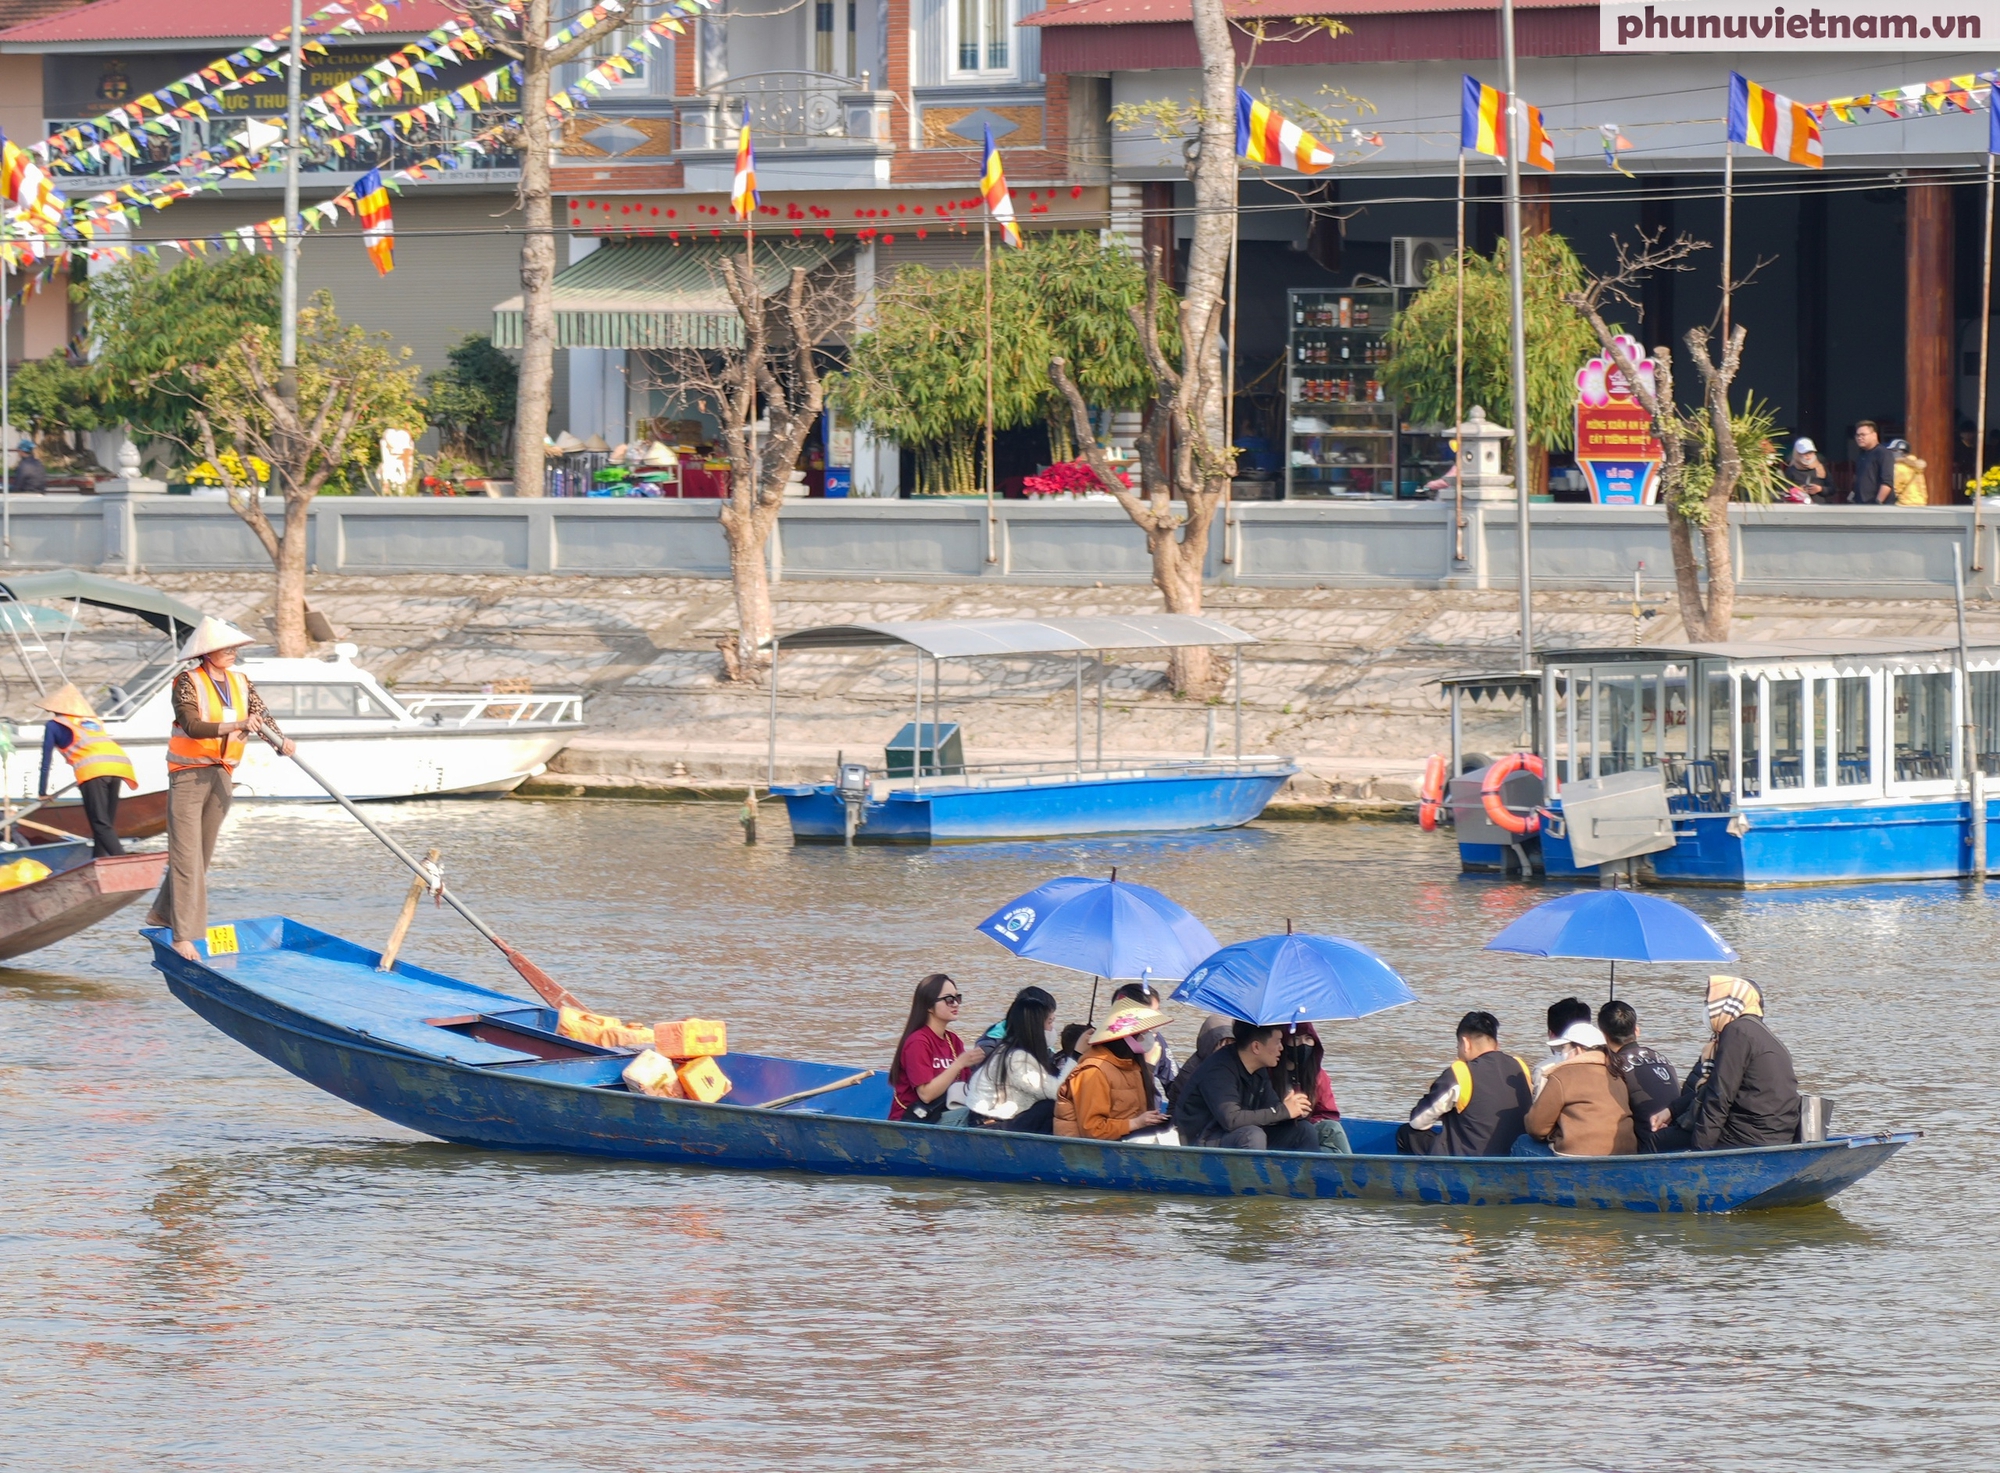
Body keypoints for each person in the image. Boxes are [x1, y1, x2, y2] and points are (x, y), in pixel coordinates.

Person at [143, 618, 293, 960]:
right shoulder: (187, 682)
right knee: (186, 855)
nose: (233, 653)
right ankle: (185, 935)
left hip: (223, 773)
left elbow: (261, 716)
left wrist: (280, 741)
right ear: (207, 653)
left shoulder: (241, 682)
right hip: (188, 774)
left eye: (235, 647)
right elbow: (193, 725)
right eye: (226, 648)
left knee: (202, 854)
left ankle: (162, 913)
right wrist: (238, 724)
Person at [1679, 976, 1802, 1150]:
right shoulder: (1758, 1032)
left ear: (1728, 1002)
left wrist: (1701, 1150)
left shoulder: (1737, 1032)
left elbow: (1719, 1095)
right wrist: (1671, 1110)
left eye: (1710, 1002)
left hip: (1749, 1136)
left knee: (1655, 1141)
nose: (1707, 1008)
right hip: (1776, 1133)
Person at [1396, 1011, 1533, 1157]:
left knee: (1407, 1133)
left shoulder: (1461, 1072)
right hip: (1514, 1156)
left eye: (1458, 1047)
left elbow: (1418, 1121)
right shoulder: (1520, 1067)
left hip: (1469, 1162)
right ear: (1496, 1044)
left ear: (1465, 1043)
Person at [1172, 1018, 1321, 1153]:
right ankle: (1253, 1183)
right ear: (1256, 1047)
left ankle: (1308, 1181)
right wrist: (1283, 1111)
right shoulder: (1219, 1069)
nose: (1281, 1048)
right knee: (1252, 1135)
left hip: (1231, 1135)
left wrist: (1294, 1109)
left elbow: (1272, 1107)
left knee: (1303, 1130)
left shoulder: (1258, 1068)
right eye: (1277, 1042)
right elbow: (1231, 1120)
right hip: (1199, 1141)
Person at [34, 682, 135, 857]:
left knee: (100, 823)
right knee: (106, 824)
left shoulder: (54, 725)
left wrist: (42, 791)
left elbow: (46, 758)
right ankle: (97, 861)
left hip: (93, 770)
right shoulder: (92, 721)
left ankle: (123, 861)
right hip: (119, 766)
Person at [1054, 1004, 1175, 1142]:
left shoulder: (1133, 1066)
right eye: (1143, 1034)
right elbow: (1093, 1130)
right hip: (1089, 1151)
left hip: (1122, 1141)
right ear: (1127, 1038)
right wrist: (1136, 1123)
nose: (1149, 1037)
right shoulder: (1093, 1072)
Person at [1519, 1020, 1638, 1157]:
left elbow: (1536, 1128)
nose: (1561, 1054)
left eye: (1564, 1048)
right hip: (1624, 1155)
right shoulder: (1617, 1074)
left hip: (1577, 1158)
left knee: (1522, 1143)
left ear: (1579, 1049)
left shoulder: (1562, 1075)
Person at [965, 985, 1068, 1133]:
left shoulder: (1029, 1049)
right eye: (1050, 1022)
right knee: (1049, 1107)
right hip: (989, 1123)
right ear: (1034, 1024)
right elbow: (1057, 1091)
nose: (1053, 1029)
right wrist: (1076, 1055)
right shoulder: (1012, 1055)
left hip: (1009, 1112)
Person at [887, 973, 985, 1123]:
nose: (956, 1004)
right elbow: (926, 1095)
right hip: (915, 1119)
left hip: (945, 1112)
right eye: (949, 1000)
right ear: (929, 1006)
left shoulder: (953, 1040)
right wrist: (958, 1064)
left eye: (957, 998)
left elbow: (966, 1085)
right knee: (973, 1117)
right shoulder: (918, 1042)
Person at [1598, 999, 1682, 1153]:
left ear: (1603, 1036)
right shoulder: (1662, 1058)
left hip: (1649, 1148)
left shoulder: (1613, 1067)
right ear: (1636, 1030)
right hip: (1679, 1137)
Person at [1267, 1022, 1351, 1154]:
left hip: (1309, 1130)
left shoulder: (1318, 1075)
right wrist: (1287, 1111)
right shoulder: (1269, 1072)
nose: (1303, 1044)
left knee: (1331, 1130)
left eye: (1308, 1039)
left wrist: (1307, 1117)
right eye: (1295, 1039)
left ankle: (1351, 1170)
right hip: (1278, 1132)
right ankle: (1352, 1171)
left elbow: (1327, 1113)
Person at [1109, 981, 1178, 1099]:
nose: (1159, 1015)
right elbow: (1125, 1097)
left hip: (1152, 1113)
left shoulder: (1156, 1040)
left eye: (1158, 1009)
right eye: (1154, 1011)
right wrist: (1148, 1065)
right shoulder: (1108, 1046)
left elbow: (1174, 1083)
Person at [1853, 421, 1895, 505]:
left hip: (1878, 507)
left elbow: (1887, 482)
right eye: (1857, 435)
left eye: (1863, 435)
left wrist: (1878, 502)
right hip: (1861, 505)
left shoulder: (1883, 453)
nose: (1859, 438)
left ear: (1874, 435)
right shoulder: (1862, 455)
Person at [1785, 438, 1828, 502]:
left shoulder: (1821, 469)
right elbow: (1785, 491)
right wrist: (1797, 490)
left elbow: (1832, 489)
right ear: (1797, 454)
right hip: (1798, 506)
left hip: (1819, 506)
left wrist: (1820, 489)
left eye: (1810, 453)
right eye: (1804, 453)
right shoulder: (1791, 471)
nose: (1808, 456)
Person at [1888, 439, 1929, 506]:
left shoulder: (1899, 468)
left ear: (1900, 452)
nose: (1891, 453)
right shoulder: (1915, 465)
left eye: (1893, 451)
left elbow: (1894, 489)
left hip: (1905, 504)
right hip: (1921, 503)